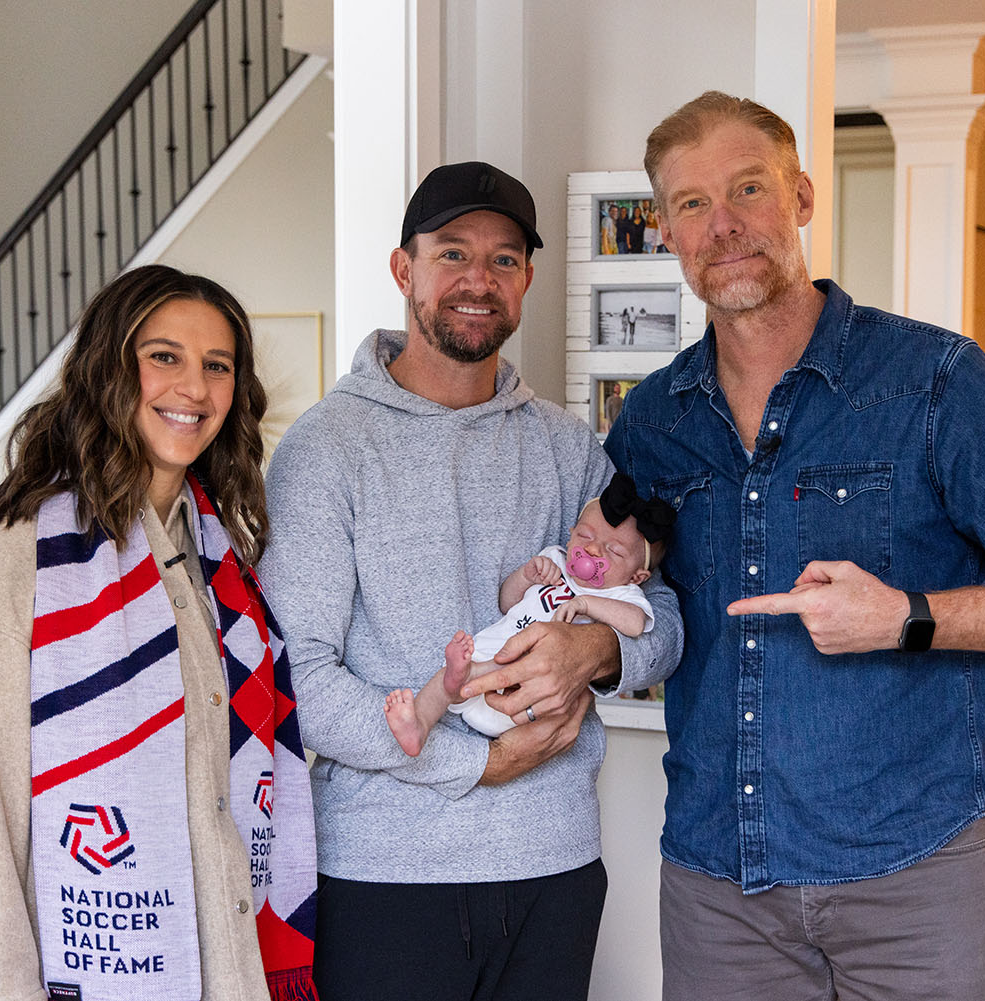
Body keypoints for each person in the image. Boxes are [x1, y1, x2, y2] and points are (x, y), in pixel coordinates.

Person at [607, 91, 985, 1001]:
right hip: (719, 884)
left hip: (913, 876)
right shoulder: (652, 419)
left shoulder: (934, 379)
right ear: (668, 231)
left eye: (748, 189)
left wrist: (907, 617)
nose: (722, 226)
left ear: (802, 195)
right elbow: (641, 594)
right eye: (691, 204)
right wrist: (578, 598)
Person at [260, 160, 682, 1001]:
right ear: (403, 268)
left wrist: (595, 647)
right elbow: (295, 678)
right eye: (452, 254)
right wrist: (471, 765)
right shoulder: (325, 450)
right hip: (384, 873)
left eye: (503, 260)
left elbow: (663, 612)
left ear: (526, 280)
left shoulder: (566, 448)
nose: (477, 282)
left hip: (553, 864)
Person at [0, 265, 319, 1001]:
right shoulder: (14, 560)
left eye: (216, 365)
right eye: (164, 356)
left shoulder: (214, 554)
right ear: (107, 369)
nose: (193, 387)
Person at [385, 474, 674, 755]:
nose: (593, 549)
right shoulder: (554, 561)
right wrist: (526, 576)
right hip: (493, 651)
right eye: (585, 535)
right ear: (571, 533)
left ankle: (462, 679)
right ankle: (418, 725)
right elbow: (507, 602)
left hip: (537, 693)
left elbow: (636, 625)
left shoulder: (621, 594)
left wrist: (586, 604)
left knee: (503, 679)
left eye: (613, 552)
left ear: (637, 577)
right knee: (448, 677)